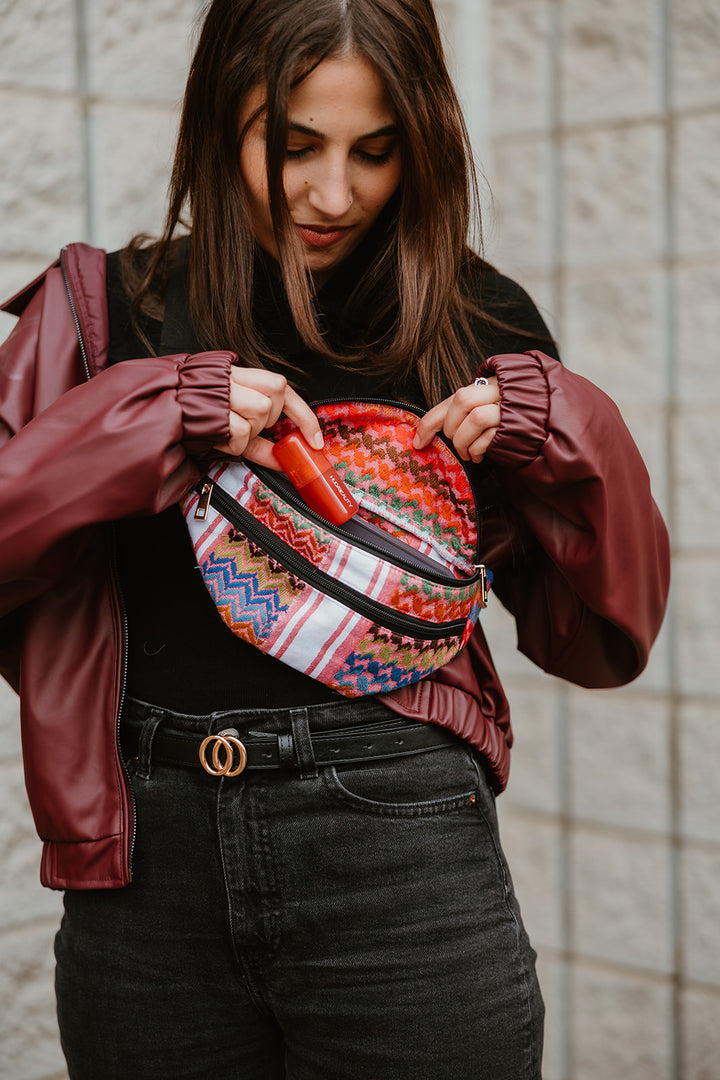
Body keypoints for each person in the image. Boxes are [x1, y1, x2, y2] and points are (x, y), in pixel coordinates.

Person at [0, 1, 669, 1078]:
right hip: (145, 877)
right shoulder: (100, 315)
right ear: (223, 120)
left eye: (377, 150)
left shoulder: (474, 321)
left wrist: (566, 431)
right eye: (294, 142)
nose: (332, 193)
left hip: (400, 853)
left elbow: (602, 637)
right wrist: (154, 415)